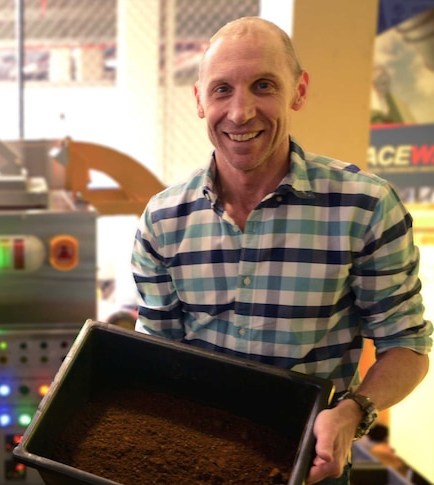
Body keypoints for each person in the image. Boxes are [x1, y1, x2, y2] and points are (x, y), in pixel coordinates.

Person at [131, 17, 431, 485]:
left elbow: (407, 344)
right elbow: (157, 354)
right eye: (222, 90)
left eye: (263, 85)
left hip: (312, 469)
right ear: (198, 100)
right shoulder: (164, 220)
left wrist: (354, 413)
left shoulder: (365, 207)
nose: (241, 111)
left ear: (299, 90)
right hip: (194, 466)